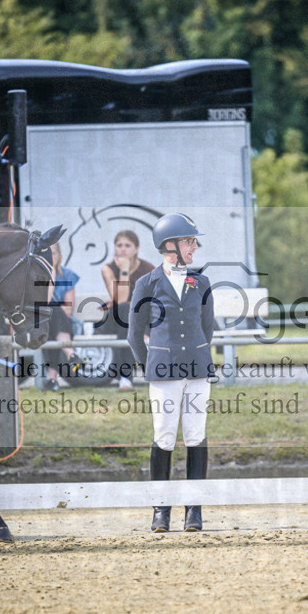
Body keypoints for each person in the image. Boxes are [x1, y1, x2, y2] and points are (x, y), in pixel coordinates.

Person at [128, 213, 215, 532]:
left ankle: (194, 510)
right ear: (170, 245)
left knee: (195, 435)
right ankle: (160, 510)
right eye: (189, 241)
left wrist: (198, 356)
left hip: (198, 370)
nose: (195, 247)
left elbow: (208, 328)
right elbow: (134, 334)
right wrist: (150, 366)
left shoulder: (201, 282)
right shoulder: (146, 283)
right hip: (163, 373)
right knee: (164, 437)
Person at [99, 230, 154, 391]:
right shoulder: (108, 269)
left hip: (142, 319)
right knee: (124, 309)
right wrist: (124, 270)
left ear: (136, 248)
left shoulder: (148, 269)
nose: (123, 249)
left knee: (129, 313)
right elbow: (121, 299)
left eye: (127, 245)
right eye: (119, 245)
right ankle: (126, 376)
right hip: (116, 320)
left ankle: (125, 377)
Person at [43, 243, 82, 390]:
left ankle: (52, 379)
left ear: (59, 256)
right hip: (41, 323)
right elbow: (44, 302)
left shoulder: (67, 275)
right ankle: (70, 353)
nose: (50, 258)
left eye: (53, 253)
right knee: (51, 311)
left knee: (55, 312)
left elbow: (68, 310)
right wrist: (51, 276)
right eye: (46, 254)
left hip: (63, 323)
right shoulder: (35, 276)